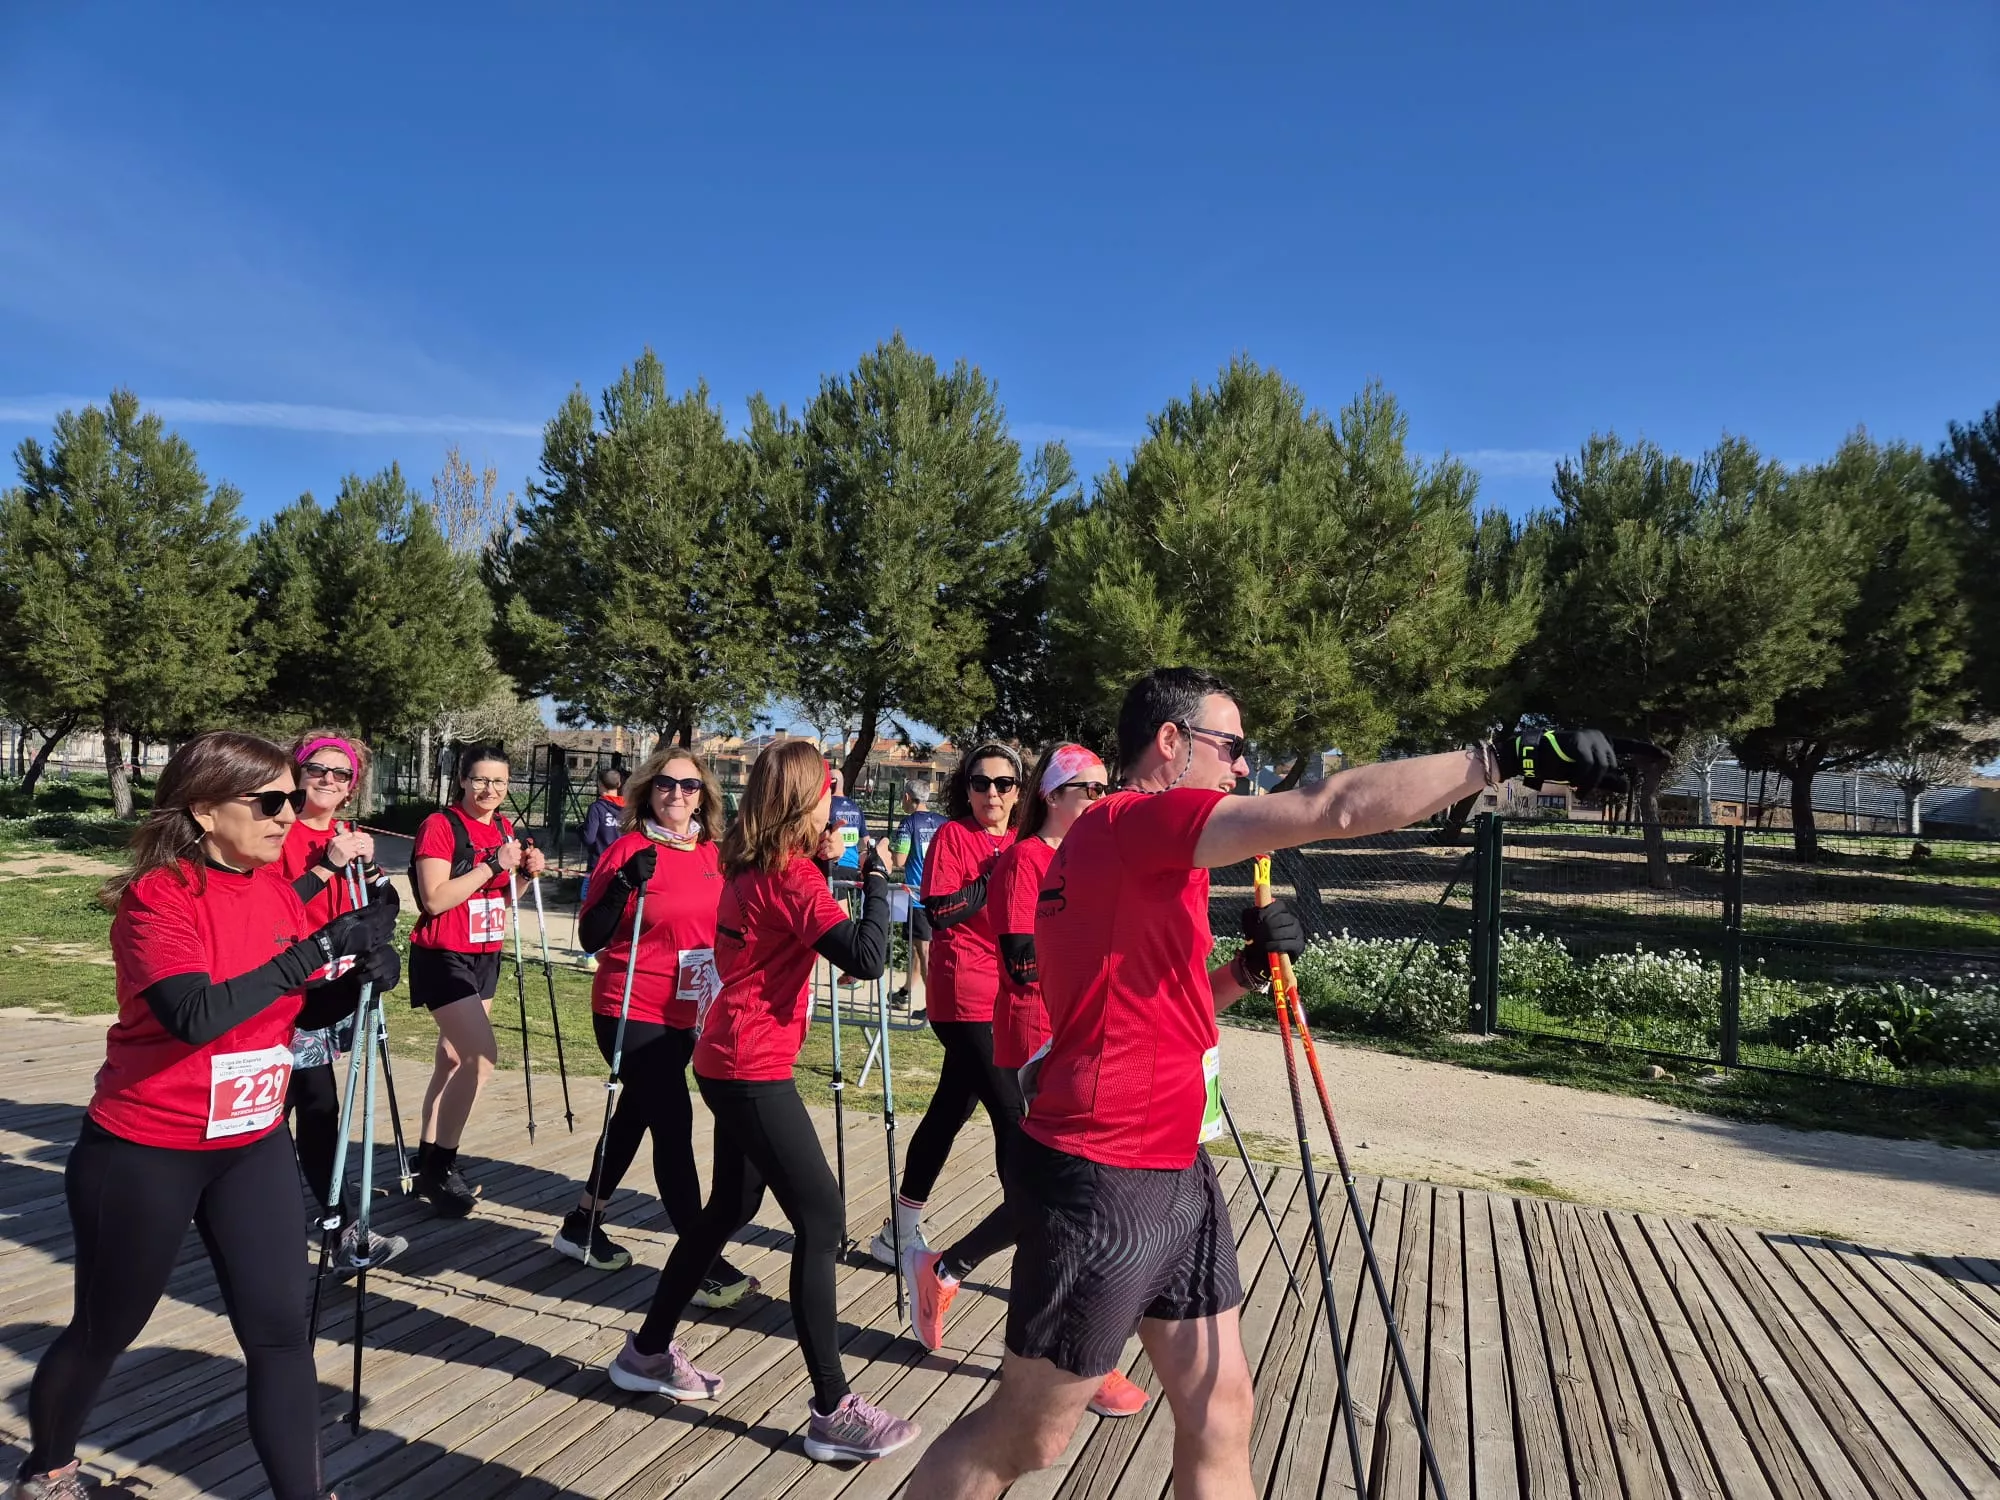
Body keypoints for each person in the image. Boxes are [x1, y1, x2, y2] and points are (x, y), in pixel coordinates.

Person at [907, 667, 1635, 1498]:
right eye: (1232, 748)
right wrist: (1503, 758)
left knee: (1221, 1411)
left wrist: (1246, 971)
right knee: (1026, 1438)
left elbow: (1166, 1006)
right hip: (1104, 1176)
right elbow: (1338, 809)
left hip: (1177, 1167)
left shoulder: (1131, 855)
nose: (1242, 770)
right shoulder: (1132, 822)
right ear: (1171, 744)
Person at [13, 731, 400, 1500]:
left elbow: (289, 1002)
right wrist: (314, 949)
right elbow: (194, 1013)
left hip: (251, 1143)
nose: (291, 815)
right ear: (202, 808)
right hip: (145, 1148)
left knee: (282, 1334)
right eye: (270, 801)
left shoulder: (274, 891)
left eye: (295, 798)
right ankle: (47, 1466)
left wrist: (356, 975)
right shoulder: (160, 896)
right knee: (105, 1330)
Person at [606, 740, 920, 1464]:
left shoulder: (756, 863)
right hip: (749, 1066)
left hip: (731, 1057)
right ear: (805, 801)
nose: (836, 802)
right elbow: (868, 959)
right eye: (828, 792)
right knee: (821, 1217)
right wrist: (873, 879)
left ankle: (647, 1352)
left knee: (731, 1209)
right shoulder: (794, 876)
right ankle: (832, 1409)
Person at [904, 742, 1147, 1420]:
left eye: (1105, 788)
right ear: (1055, 794)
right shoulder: (1022, 860)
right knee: (1063, 1191)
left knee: (1057, 1189)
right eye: (1087, 790)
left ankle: (946, 1268)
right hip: (1038, 1039)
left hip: (1085, 1039)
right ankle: (1077, 1356)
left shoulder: (1087, 856)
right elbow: (1023, 963)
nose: (1099, 800)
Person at [549, 746, 758, 1309]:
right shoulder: (628, 849)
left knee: (635, 1117)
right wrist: (621, 887)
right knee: (673, 1122)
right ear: (647, 790)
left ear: (705, 797)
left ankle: (582, 1223)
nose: (677, 796)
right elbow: (591, 936)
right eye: (665, 785)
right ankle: (701, 1257)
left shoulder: (714, 854)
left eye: (690, 787)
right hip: (629, 1008)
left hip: (687, 1009)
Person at [868, 743, 1019, 1269]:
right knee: (1012, 1115)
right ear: (967, 789)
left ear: (1019, 791)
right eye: (981, 784)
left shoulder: (1027, 841)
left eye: (1003, 784)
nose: (992, 794)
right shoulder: (955, 836)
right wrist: (991, 877)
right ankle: (1033, 1239)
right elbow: (941, 910)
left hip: (1009, 994)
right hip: (963, 993)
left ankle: (899, 1231)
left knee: (949, 1110)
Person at [278, 730, 407, 1273]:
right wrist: (327, 864)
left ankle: (237, 1187)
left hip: (334, 993)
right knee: (315, 1106)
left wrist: (381, 925)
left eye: (341, 774)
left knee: (294, 1105)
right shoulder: (275, 830)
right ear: (297, 771)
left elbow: (380, 900)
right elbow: (276, 908)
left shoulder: (350, 834)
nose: (329, 780)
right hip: (283, 989)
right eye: (317, 769)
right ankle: (344, 1227)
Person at [407, 745, 546, 1216]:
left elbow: (507, 897)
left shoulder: (505, 827)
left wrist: (524, 873)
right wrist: (493, 865)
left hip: (484, 953)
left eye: (500, 783)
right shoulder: (440, 825)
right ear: (463, 781)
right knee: (481, 1058)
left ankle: (426, 1155)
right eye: (482, 780)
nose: (491, 790)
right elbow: (434, 899)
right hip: (443, 954)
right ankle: (442, 1167)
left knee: (451, 1058)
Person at [889, 779, 946, 1004]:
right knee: (918, 948)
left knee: (924, 952)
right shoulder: (944, 822)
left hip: (918, 898)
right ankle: (905, 993)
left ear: (906, 797)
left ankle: (935, 1006)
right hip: (943, 896)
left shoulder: (908, 823)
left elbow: (899, 860)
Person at [575, 765, 627, 973]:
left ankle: (589, 955)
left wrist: (580, 830)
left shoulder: (597, 808)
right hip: (622, 867)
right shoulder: (628, 808)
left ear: (599, 785)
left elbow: (589, 837)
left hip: (598, 866)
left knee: (591, 907)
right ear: (619, 785)